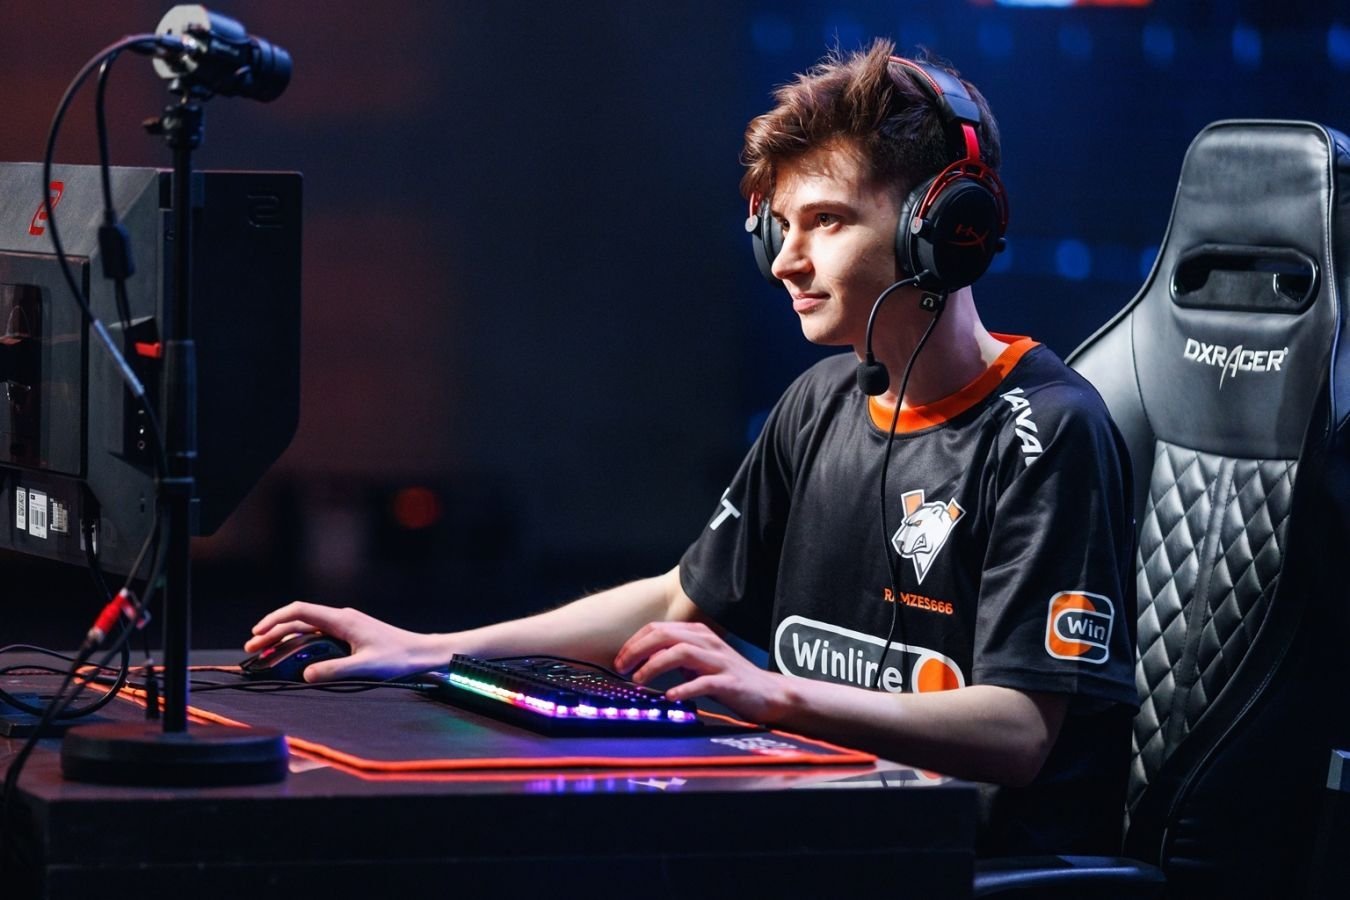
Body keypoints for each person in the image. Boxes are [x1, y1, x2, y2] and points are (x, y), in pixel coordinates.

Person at [246, 39, 1137, 856]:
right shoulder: (820, 403)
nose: (786, 261)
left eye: (826, 221)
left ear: (944, 227)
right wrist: (431, 649)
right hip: (835, 832)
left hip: (974, 862)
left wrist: (774, 693)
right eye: (780, 227)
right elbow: (683, 597)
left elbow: (1019, 732)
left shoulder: (1048, 431)